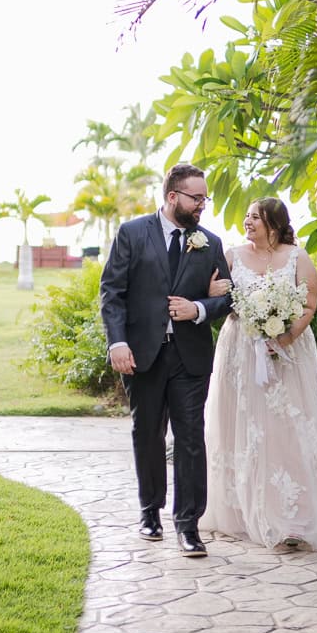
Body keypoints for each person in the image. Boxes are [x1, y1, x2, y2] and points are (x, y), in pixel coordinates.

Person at [101, 163, 232, 557]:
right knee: (148, 435)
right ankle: (150, 512)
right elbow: (112, 293)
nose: (202, 205)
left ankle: (188, 525)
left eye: (205, 199)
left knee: (191, 439)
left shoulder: (209, 242)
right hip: (143, 355)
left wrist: (198, 308)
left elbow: (227, 297)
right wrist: (117, 342)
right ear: (172, 196)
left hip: (190, 358)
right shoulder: (131, 233)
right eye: (197, 198)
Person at [200, 197, 317, 550]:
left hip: (288, 352)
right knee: (242, 424)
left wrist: (284, 336)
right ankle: (238, 510)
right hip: (240, 351)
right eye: (247, 216)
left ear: (275, 224)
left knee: (286, 428)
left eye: (254, 218)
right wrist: (211, 292)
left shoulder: (297, 257)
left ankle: (293, 515)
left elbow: (309, 304)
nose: (247, 222)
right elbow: (214, 294)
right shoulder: (231, 256)